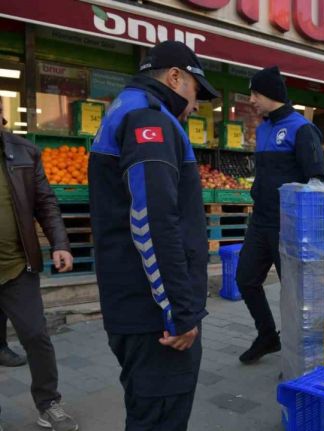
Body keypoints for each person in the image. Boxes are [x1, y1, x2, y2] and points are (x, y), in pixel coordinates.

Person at [89, 41, 219, 430]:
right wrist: (179, 313)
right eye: (197, 92)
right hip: (155, 321)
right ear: (175, 76)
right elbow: (153, 222)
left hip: (132, 307)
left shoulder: (125, 109)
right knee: (161, 417)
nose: (196, 106)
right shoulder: (151, 120)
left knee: (145, 411)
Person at [236, 66, 324, 364]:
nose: (252, 100)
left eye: (255, 94)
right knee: (245, 279)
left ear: (271, 95)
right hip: (260, 220)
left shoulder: (302, 129)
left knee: (294, 294)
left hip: (288, 225)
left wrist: (308, 231)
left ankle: (297, 354)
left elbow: (317, 183)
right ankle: (267, 336)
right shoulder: (263, 128)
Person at [0, 98, 78, 430]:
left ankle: (48, 403)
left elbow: (45, 202)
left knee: (35, 335)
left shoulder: (24, 152)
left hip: (17, 267)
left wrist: (60, 243)